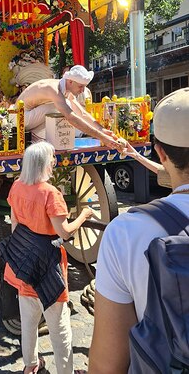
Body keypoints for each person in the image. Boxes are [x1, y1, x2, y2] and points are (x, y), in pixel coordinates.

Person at [89, 87, 189, 373]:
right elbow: (165, 173)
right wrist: (132, 152)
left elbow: (107, 366)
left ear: (161, 152)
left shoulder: (126, 233)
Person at [2, 141, 93, 374]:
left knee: (28, 321)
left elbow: (14, 225)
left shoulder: (17, 187)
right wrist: (83, 214)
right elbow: (64, 232)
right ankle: (66, 371)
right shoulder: (51, 194)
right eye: (52, 158)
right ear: (43, 162)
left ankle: (30, 365)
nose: (54, 162)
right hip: (48, 266)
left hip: (24, 264)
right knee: (60, 327)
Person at [18, 65, 123, 151]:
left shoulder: (66, 88)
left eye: (84, 87)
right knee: (66, 105)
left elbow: (82, 113)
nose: (82, 91)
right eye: (80, 86)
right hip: (21, 119)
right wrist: (101, 137)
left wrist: (102, 130)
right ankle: (38, 140)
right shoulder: (54, 89)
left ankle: (40, 139)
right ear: (70, 81)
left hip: (31, 119)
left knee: (68, 106)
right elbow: (71, 116)